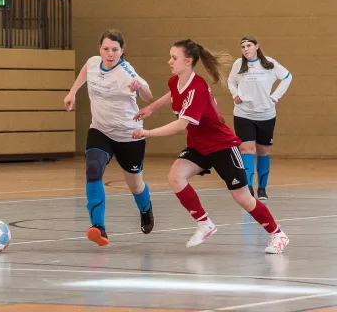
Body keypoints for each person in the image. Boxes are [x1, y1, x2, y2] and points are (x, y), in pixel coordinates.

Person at [132, 39, 289, 254]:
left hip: (222, 146)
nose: (169, 61)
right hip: (199, 146)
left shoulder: (197, 88)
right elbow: (173, 95)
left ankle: (278, 234)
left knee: (242, 197)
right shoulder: (176, 81)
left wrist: (148, 132)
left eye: (174, 58)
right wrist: (151, 107)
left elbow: (181, 124)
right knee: (176, 176)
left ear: (188, 61)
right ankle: (205, 223)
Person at [63, 29, 155, 246]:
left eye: (115, 50)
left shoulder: (127, 73)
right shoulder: (94, 62)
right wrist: (72, 92)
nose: (110, 53)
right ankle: (98, 227)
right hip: (100, 130)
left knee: (135, 185)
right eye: (106, 49)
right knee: (93, 169)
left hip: (128, 135)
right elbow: (86, 70)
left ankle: (145, 208)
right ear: (100, 49)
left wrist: (140, 87)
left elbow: (149, 97)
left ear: (122, 52)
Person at [228, 36, 292, 201]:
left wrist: (275, 96)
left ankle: (262, 188)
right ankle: (248, 187)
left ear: (257, 46)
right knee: (247, 149)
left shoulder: (269, 64)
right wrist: (235, 95)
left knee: (263, 151)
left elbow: (287, 77)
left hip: (266, 115)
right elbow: (231, 81)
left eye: (249, 45)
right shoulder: (238, 64)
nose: (246, 49)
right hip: (243, 114)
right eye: (242, 47)